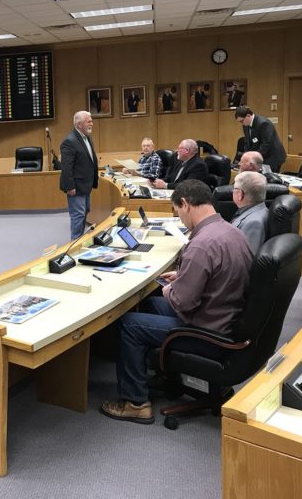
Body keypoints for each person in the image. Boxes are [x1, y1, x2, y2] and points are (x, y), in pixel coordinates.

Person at [100, 180, 253, 424]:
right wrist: (184, 276)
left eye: (178, 212)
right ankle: (164, 373)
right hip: (226, 317)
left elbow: (183, 302)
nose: (180, 219)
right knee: (150, 306)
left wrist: (171, 289)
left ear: (185, 204)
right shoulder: (232, 231)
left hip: (207, 332)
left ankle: (135, 402)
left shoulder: (201, 244)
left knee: (129, 323)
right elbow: (217, 274)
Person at [60, 111, 98, 240]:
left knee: (85, 211)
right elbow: (66, 167)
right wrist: (70, 186)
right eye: (89, 121)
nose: (92, 124)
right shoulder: (69, 141)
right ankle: (74, 243)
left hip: (85, 184)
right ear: (79, 124)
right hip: (75, 186)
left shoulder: (87, 137)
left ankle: (80, 240)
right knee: (78, 215)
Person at [236, 105, 286, 173]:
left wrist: (253, 158)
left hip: (272, 156)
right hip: (261, 156)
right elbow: (247, 143)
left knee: (268, 180)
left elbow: (266, 144)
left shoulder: (263, 123)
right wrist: (245, 157)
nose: (242, 123)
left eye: (242, 121)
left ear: (248, 116)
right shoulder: (246, 125)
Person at [231, 171, 269, 254]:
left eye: (234, 188)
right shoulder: (257, 210)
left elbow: (244, 260)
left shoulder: (254, 223)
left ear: (240, 194)